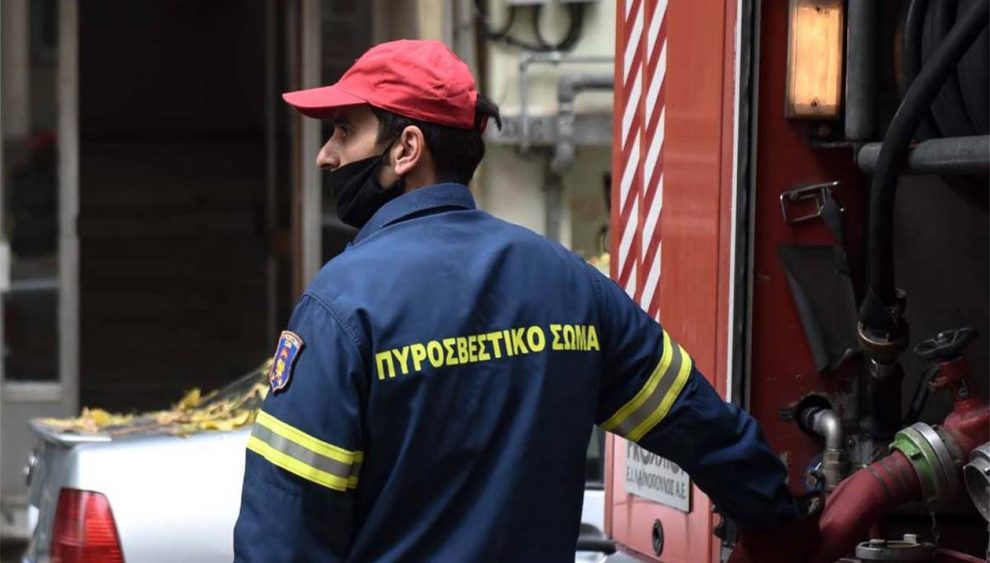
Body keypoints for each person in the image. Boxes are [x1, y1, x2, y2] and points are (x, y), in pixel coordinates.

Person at [233, 39, 820, 562]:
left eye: (343, 131)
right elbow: (698, 423)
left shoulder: (341, 307)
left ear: (406, 148)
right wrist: (781, 530)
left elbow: (285, 529)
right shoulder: (570, 283)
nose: (326, 156)